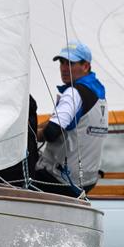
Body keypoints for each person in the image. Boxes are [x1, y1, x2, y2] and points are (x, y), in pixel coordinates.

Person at [35, 42, 108, 197]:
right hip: (87, 182)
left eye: (70, 63)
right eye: (62, 62)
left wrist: (27, 136)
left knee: (10, 170)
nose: (64, 67)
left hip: (59, 180)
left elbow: (51, 132)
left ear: (86, 66)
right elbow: (66, 123)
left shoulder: (73, 93)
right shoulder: (99, 93)